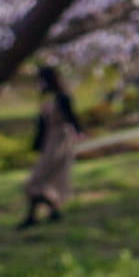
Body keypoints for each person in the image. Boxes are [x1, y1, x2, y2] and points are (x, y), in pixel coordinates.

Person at [21, 66, 82, 228]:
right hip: (50, 141)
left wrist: (79, 133)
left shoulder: (61, 98)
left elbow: (71, 118)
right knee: (39, 180)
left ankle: (43, 213)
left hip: (60, 141)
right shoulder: (48, 99)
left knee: (37, 180)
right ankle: (46, 213)